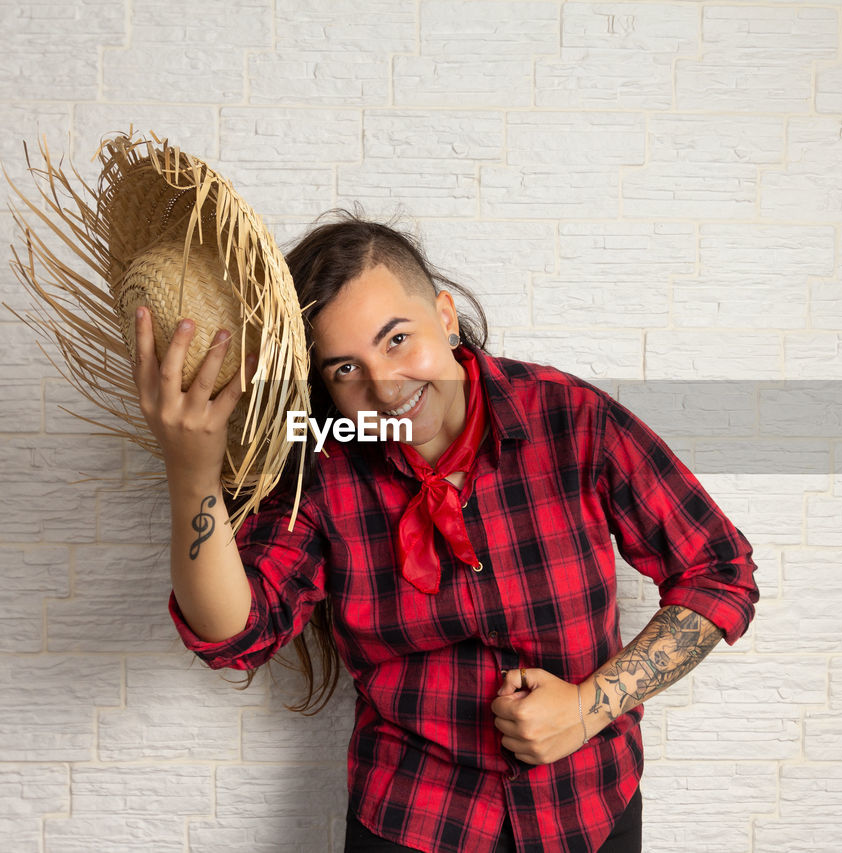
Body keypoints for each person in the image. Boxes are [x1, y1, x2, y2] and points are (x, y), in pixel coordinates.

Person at [131, 212, 760, 853]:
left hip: (587, 807)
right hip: (412, 819)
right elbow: (235, 633)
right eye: (345, 369)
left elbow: (720, 571)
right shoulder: (321, 466)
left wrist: (588, 707)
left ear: (446, 315)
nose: (384, 386)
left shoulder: (572, 419)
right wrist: (192, 472)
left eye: (398, 339)